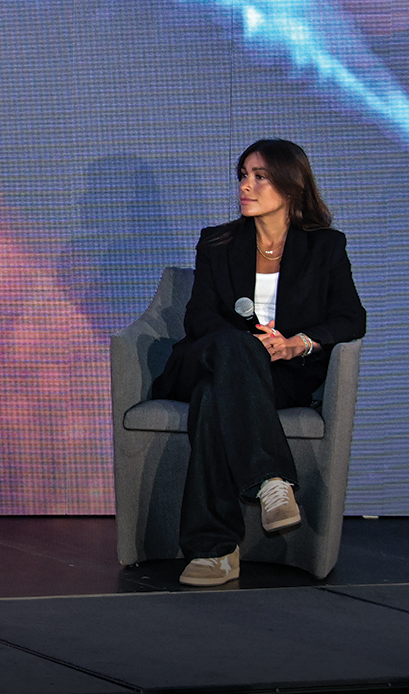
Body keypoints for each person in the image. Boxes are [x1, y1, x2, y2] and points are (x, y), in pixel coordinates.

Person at [152, 139, 366, 586]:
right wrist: (245, 342)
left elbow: (350, 317)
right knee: (233, 349)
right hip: (203, 360)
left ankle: (215, 550)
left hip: (276, 375)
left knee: (213, 398)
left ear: (291, 185)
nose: (245, 186)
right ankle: (271, 479)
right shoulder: (218, 242)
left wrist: (297, 345)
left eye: (259, 176)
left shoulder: (325, 247)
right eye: (243, 176)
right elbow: (198, 317)